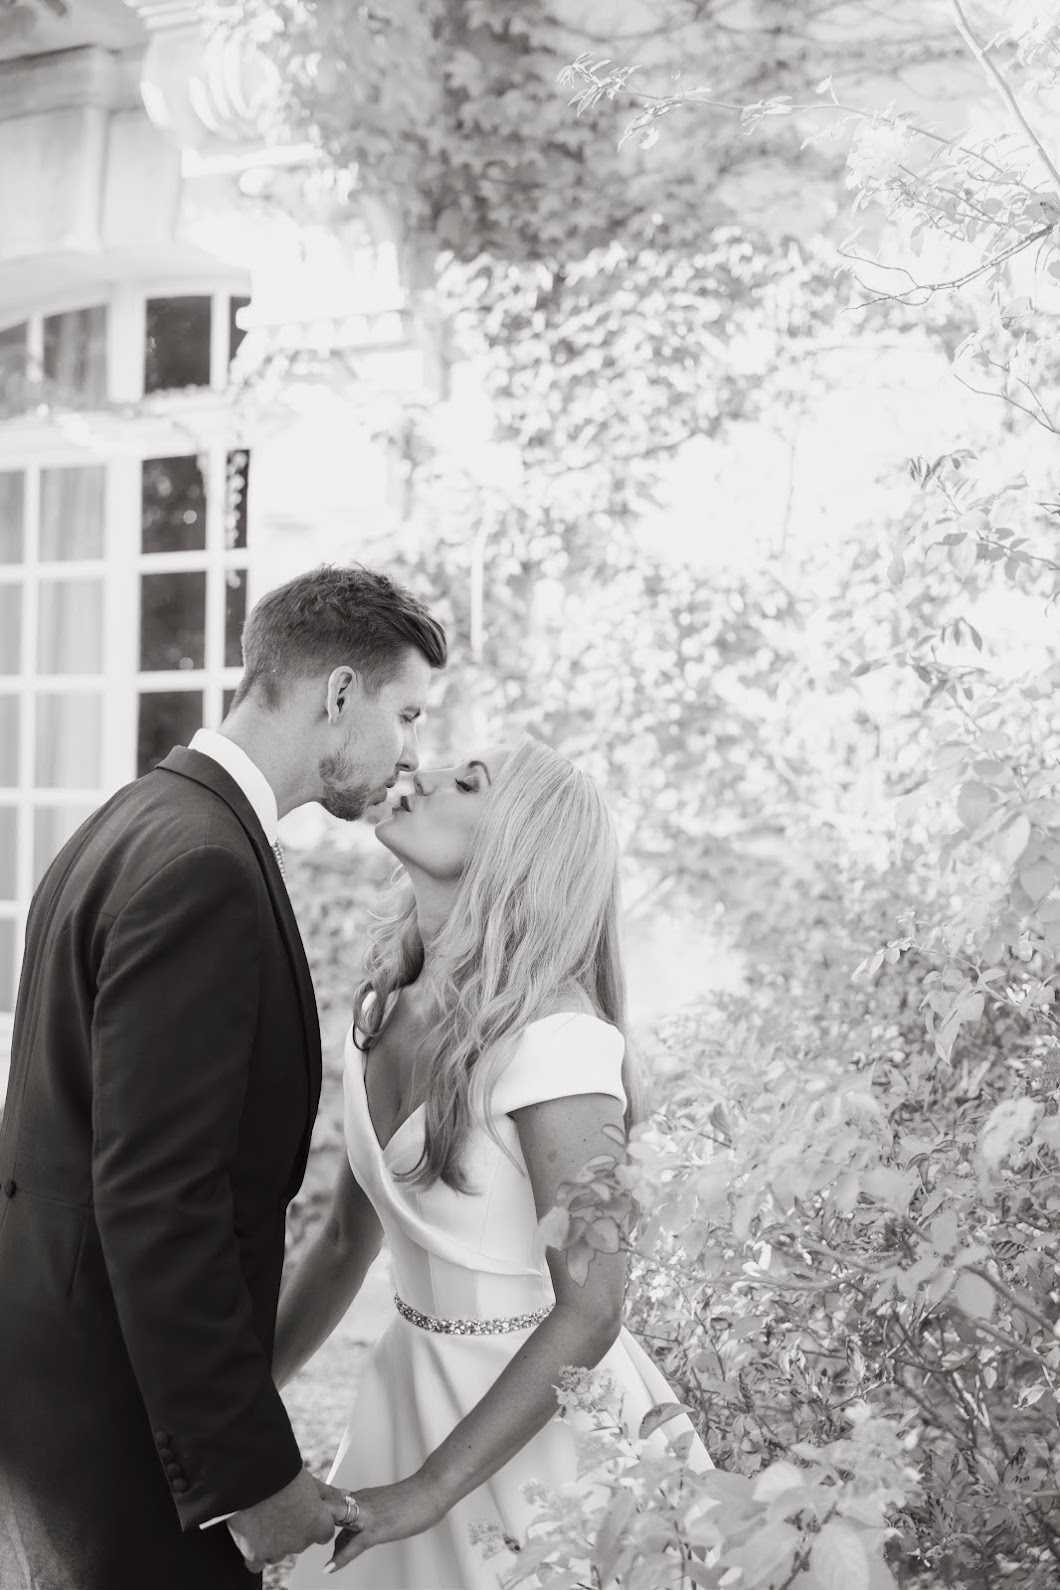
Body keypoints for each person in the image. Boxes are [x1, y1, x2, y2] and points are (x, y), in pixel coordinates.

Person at [0, 565, 446, 1590]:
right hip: (121, 1451)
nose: (411, 752)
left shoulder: (135, 819)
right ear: (338, 692)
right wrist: (250, 1476)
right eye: (406, 714)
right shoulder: (203, 864)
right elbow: (160, 1198)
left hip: (61, 1411)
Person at [280, 736, 710, 1589]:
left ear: (519, 845)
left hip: (545, 1435)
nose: (420, 773)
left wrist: (430, 1490)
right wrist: (228, 1418)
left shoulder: (561, 1040)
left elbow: (594, 1305)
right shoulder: (383, 1006)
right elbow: (340, 1245)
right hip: (407, 1391)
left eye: (467, 782)